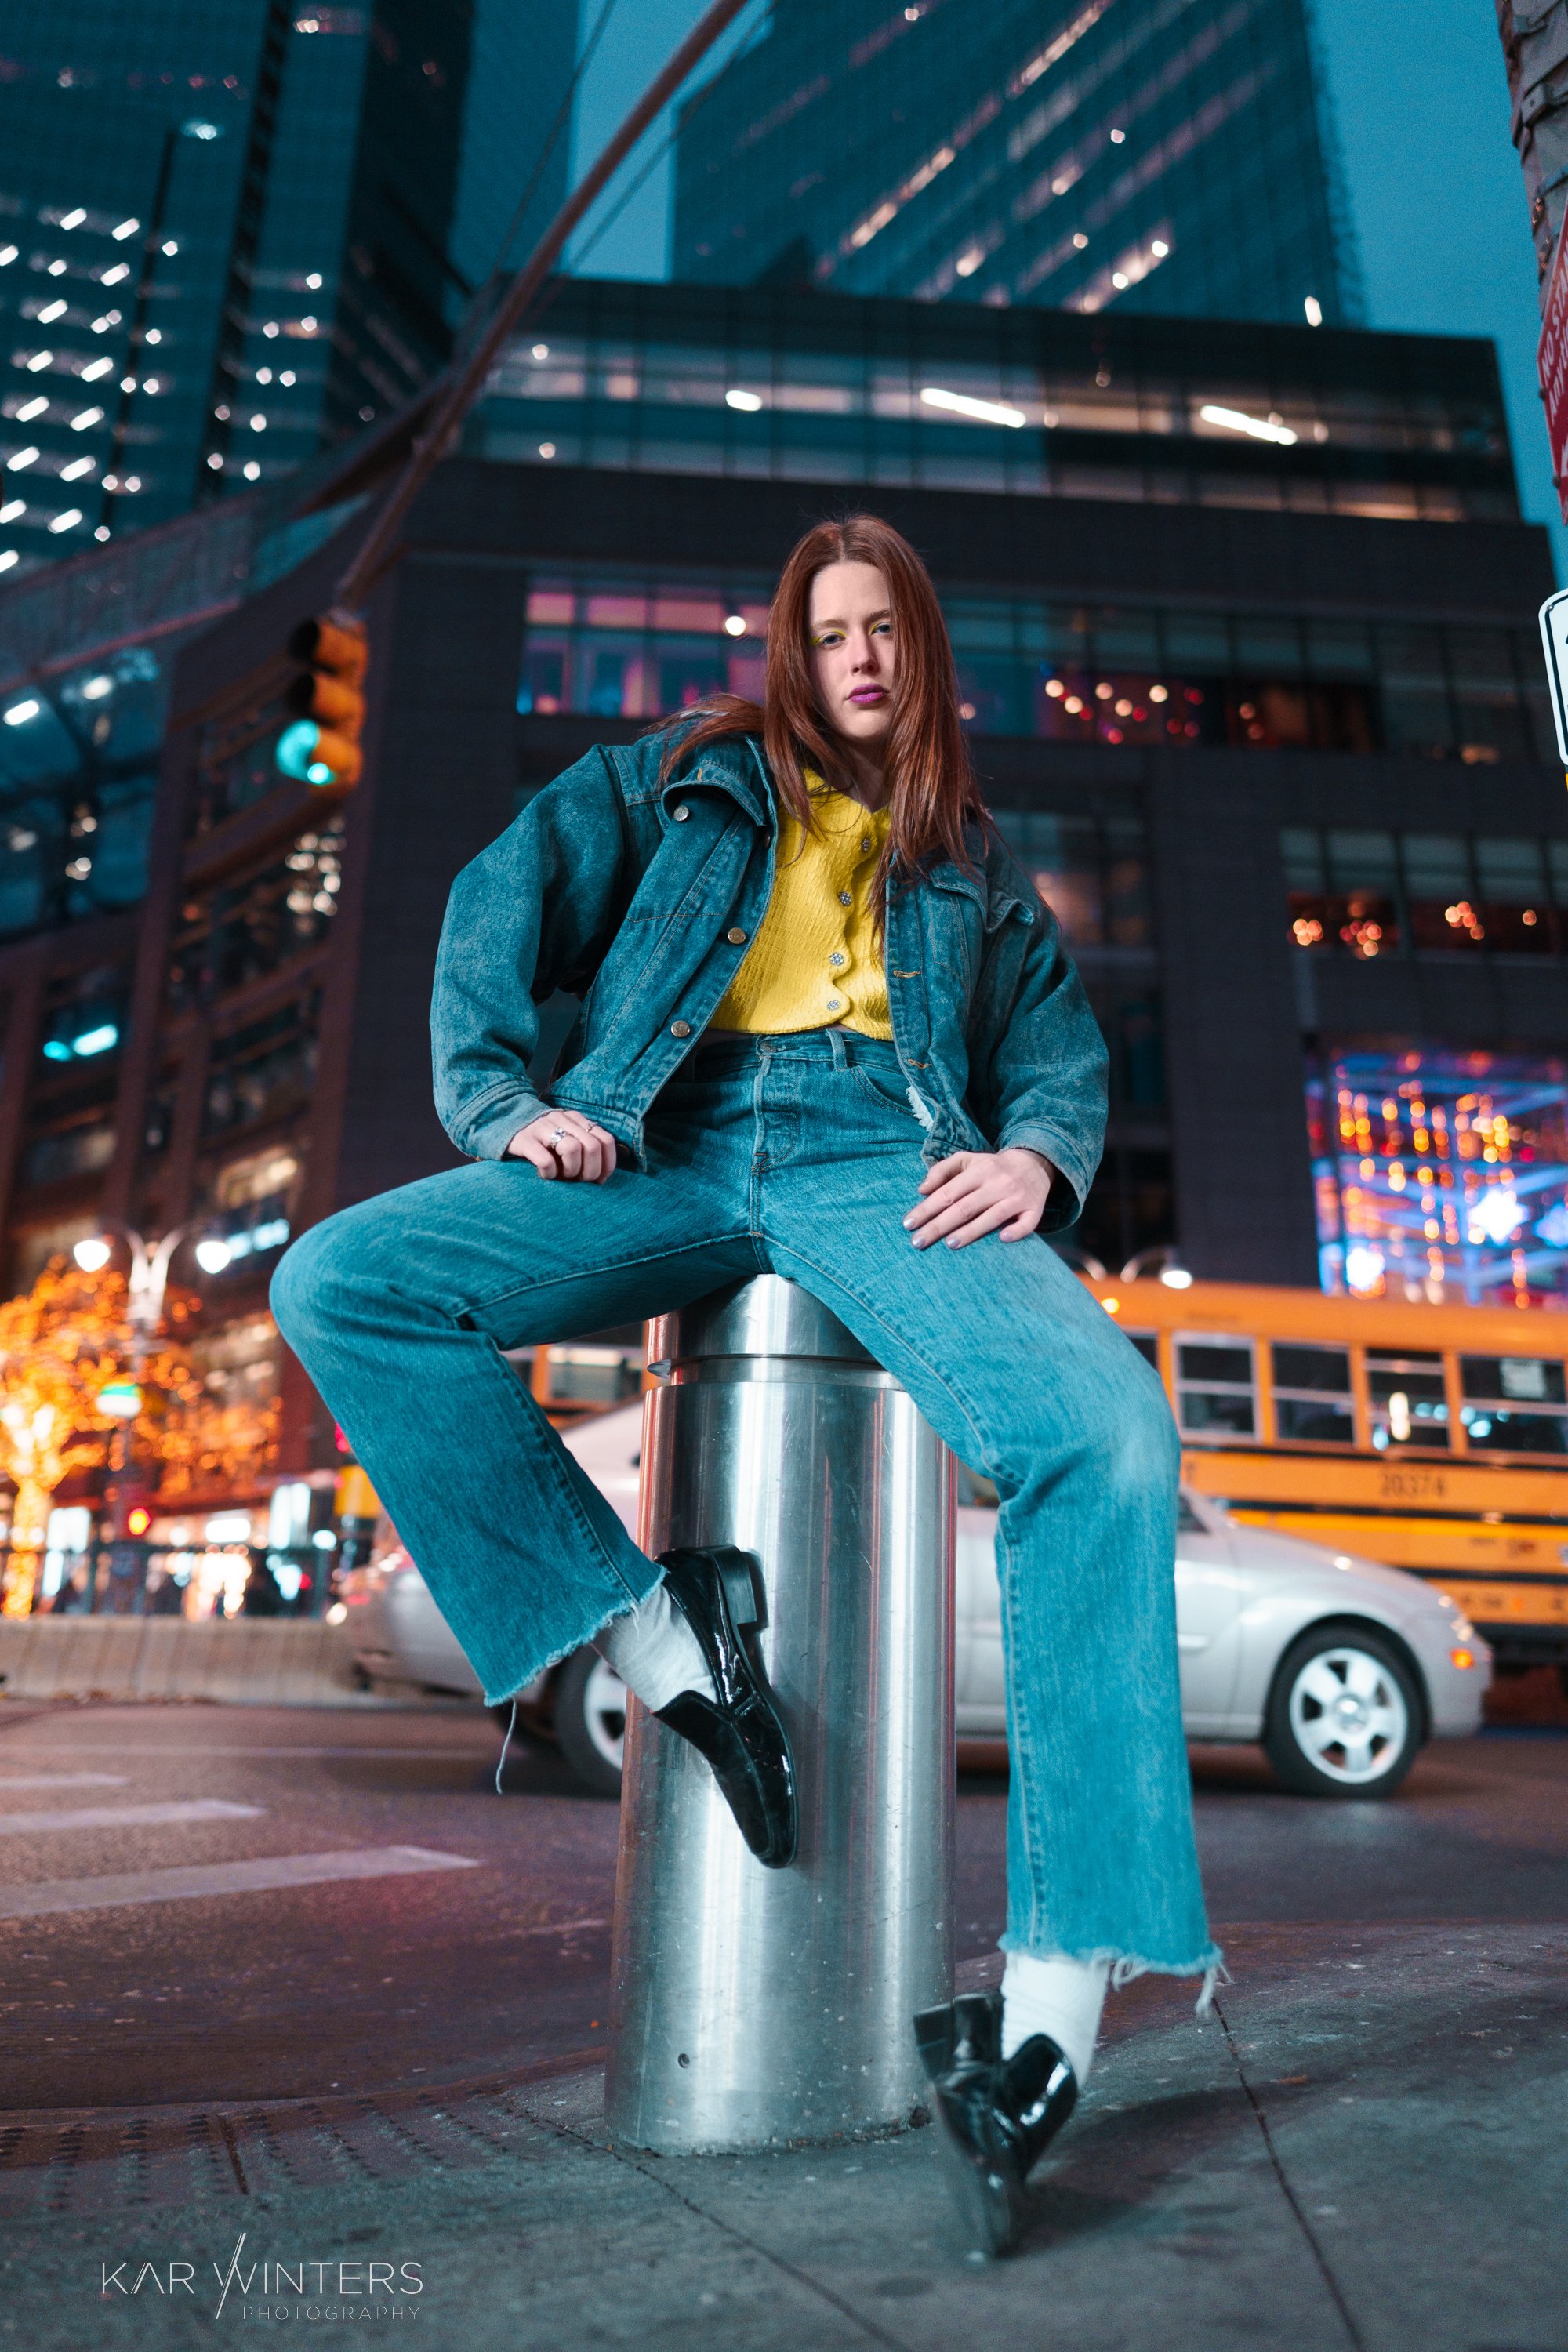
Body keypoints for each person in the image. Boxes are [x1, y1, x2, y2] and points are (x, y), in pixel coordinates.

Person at [270, 513, 1218, 2257]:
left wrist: (1036, 1156)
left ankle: (1046, 2020)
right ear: (795, 646)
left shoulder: (973, 863)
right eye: (828, 626)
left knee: (1105, 1434)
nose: (857, 653)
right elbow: (500, 896)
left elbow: (1059, 1052)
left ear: (921, 654)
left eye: (885, 629)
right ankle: (655, 1638)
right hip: (671, 1140)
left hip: (883, 1159)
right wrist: (503, 1105)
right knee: (343, 1281)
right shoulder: (686, 774)